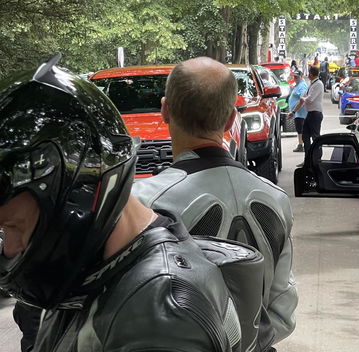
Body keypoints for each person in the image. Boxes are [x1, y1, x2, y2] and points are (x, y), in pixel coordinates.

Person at [0, 55, 263, 351]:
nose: (10, 247)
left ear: (79, 197)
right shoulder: (96, 270)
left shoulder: (160, 318)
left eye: (14, 226)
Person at [133, 57, 298, 351]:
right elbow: (282, 308)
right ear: (232, 119)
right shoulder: (276, 199)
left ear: (165, 110)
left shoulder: (142, 201)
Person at [289, 65, 323, 166]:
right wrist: (293, 112)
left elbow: (310, 99)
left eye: (309, 73)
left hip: (315, 114)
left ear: (312, 74)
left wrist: (303, 99)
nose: (308, 75)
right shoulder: (311, 84)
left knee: (315, 137)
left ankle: (317, 159)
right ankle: (308, 159)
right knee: (305, 136)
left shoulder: (318, 84)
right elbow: (302, 99)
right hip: (310, 114)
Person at [289, 70, 308, 152]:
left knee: (301, 129)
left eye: (297, 77)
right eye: (294, 76)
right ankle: (300, 144)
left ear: (301, 76)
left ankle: (302, 144)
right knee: (299, 129)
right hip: (297, 112)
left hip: (300, 112)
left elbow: (302, 99)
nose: (295, 78)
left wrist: (294, 110)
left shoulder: (302, 86)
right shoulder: (297, 85)